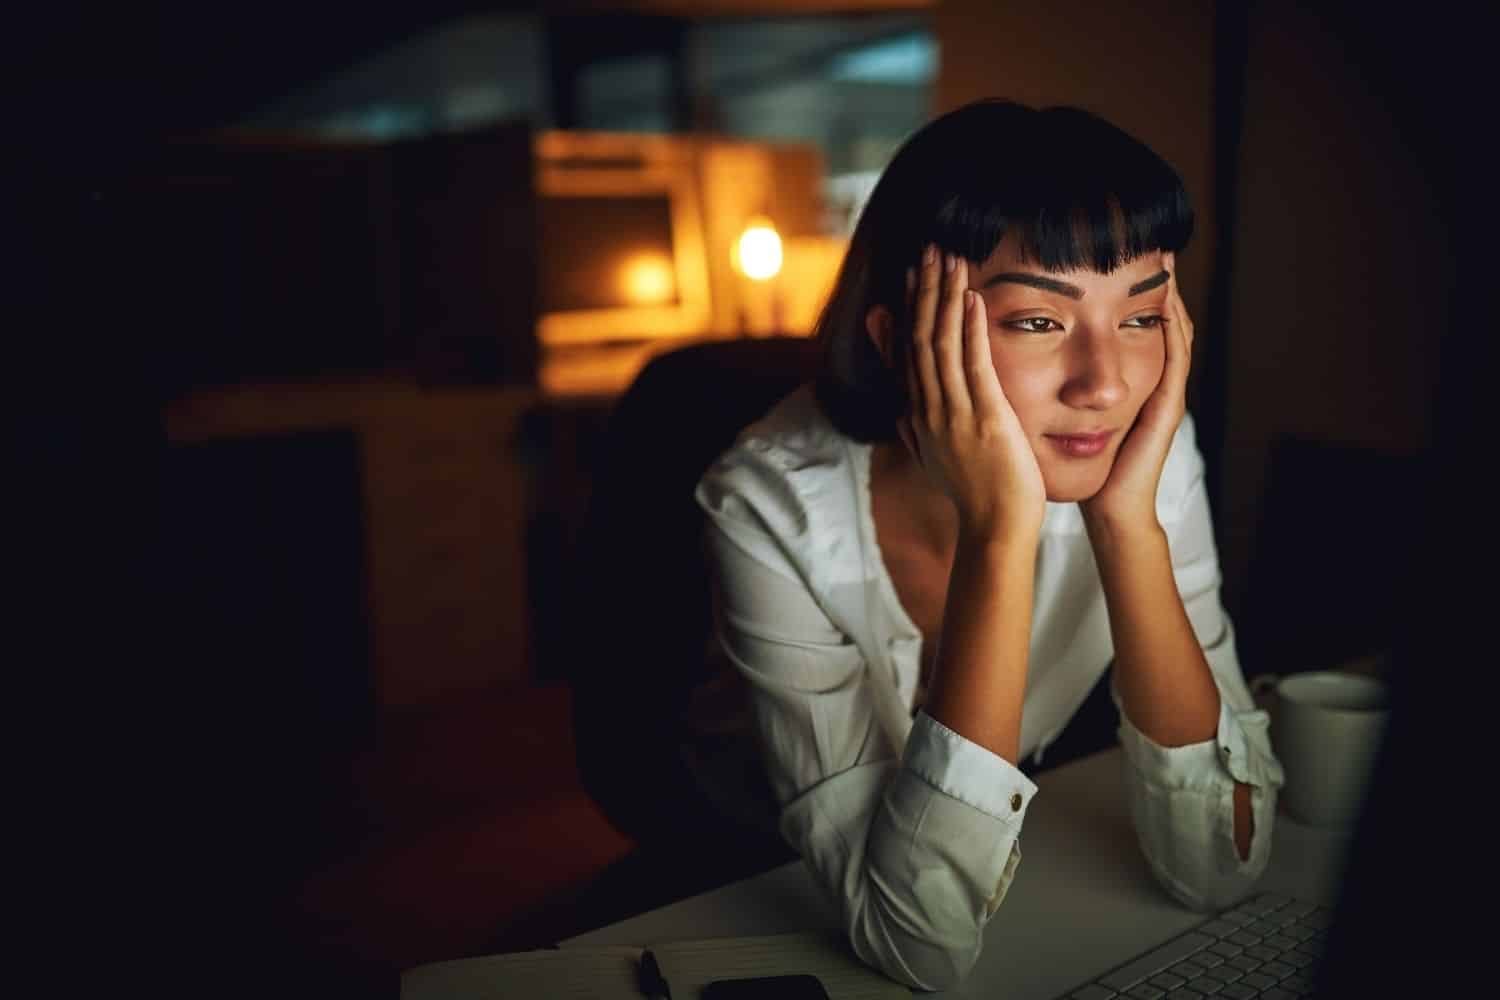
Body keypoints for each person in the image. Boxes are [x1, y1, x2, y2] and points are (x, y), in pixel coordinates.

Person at [691, 98, 1286, 992]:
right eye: (1038, 322)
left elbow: (1221, 871)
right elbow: (914, 943)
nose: (1106, 384)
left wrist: (1129, 525)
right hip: (733, 887)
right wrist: (999, 531)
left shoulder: (1140, 449)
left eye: (1142, 317)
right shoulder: (770, 504)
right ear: (900, 339)